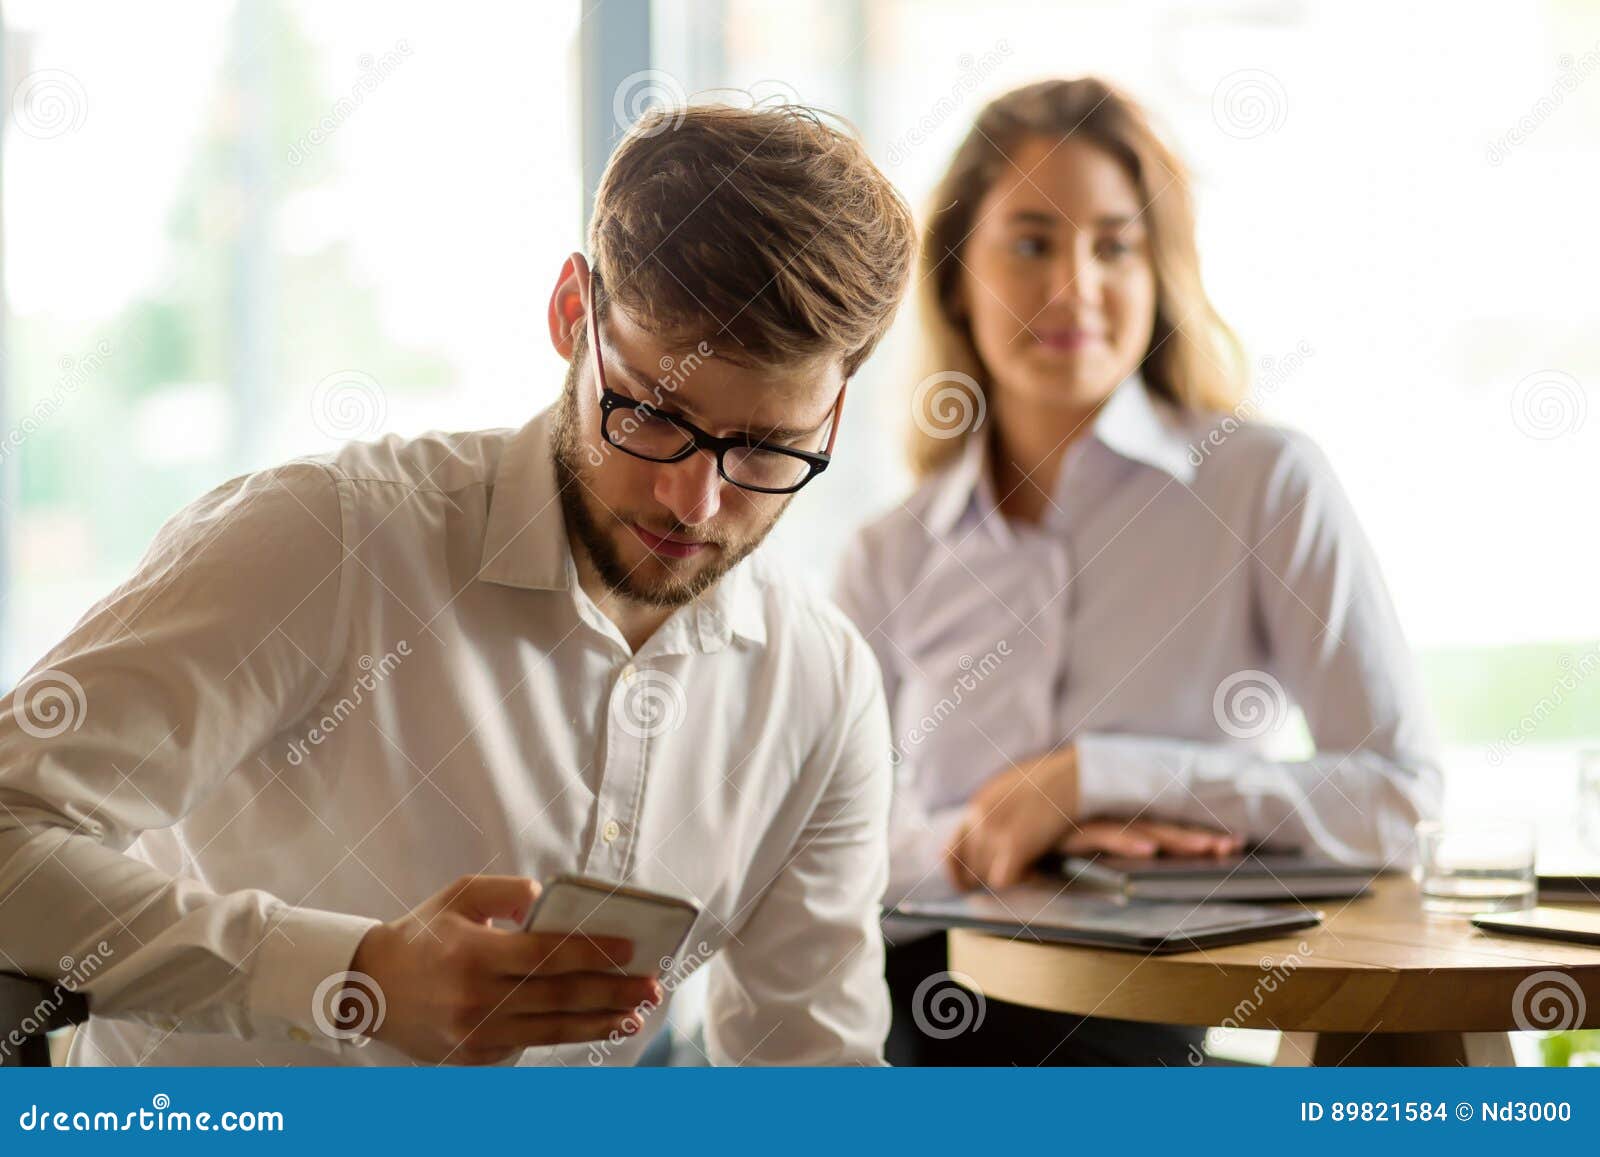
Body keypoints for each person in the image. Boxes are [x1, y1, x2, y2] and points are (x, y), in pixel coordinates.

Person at [0, 102, 916, 1067]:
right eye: (650, 411)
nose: (692, 501)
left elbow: (811, 1075)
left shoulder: (821, 685)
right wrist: (349, 975)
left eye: (767, 447)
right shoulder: (325, 542)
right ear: (573, 314)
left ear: (836, 414)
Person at [835, 78, 1442, 1066]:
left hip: (1146, 1022)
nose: (1074, 286)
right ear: (954, 276)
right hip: (915, 1021)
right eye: (1031, 242)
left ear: (1157, 270)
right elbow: (820, 849)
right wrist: (995, 828)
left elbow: (1399, 802)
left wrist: (1104, 778)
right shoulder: (888, 553)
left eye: (1114, 244)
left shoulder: (1259, 486)